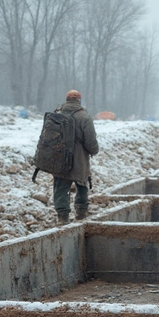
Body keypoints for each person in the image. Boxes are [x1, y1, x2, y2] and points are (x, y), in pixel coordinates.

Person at [52, 90, 99, 225]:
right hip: (79, 159)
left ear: (66, 100)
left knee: (60, 187)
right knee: (82, 184)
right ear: (79, 101)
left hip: (60, 158)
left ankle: (62, 217)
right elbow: (90, 142)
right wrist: (94, 151)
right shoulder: (84, 117)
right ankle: (81, 213)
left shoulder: (56, 115)